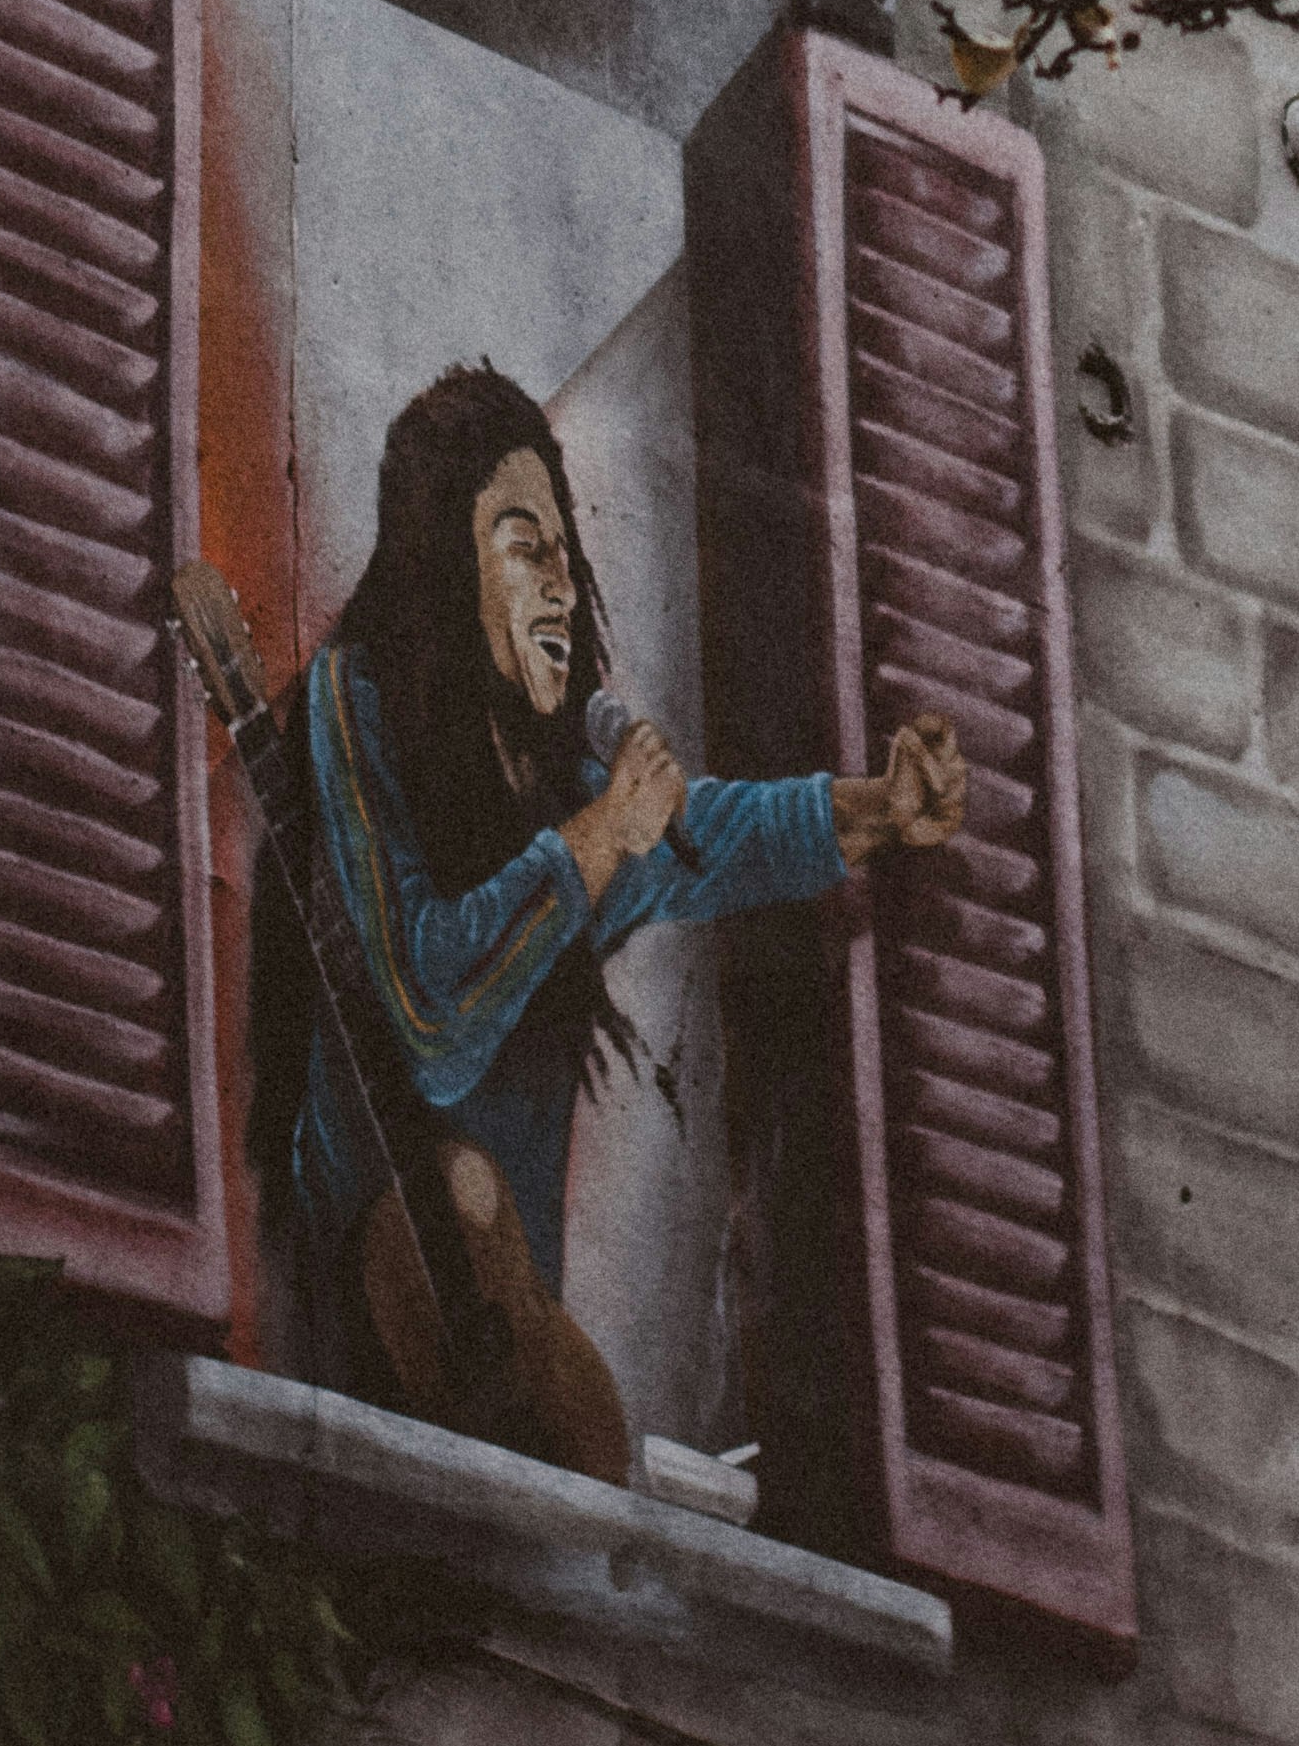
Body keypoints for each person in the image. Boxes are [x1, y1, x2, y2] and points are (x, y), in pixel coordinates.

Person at [257, 360, 963, 1466]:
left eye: (565, 553)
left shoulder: (548, 783)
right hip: (356, 1343)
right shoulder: (358, 705)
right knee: (464, 1194)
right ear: (448, 562)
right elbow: (428, 1016)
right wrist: (597, 840)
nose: (561, 584)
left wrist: (879, 806)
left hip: (504, 1376)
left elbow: (717, 836)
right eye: (524, 546)